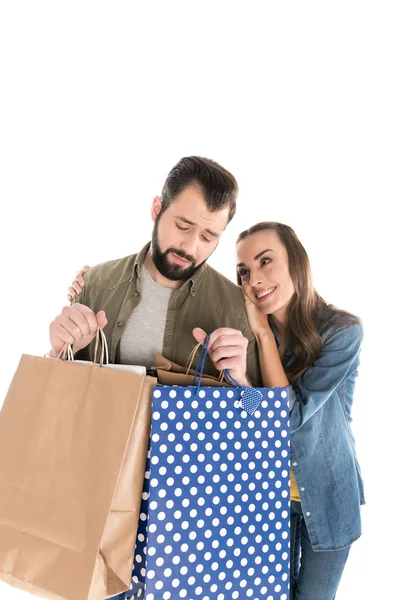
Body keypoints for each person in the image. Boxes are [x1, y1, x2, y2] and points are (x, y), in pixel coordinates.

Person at [48, 155, 262, 600]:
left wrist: (241, 379)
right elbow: (65, 396)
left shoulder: (232, 306)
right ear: (155, 209)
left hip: (186, 507)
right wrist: (57, 346)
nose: (192, 246)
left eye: (208, 236)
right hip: (99, 493)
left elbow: (255, 425)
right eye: (183, 226)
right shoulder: (97, 282)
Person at [235, 221, 365, 600]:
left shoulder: (342, 333)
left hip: (328, 496)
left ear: (296, 263)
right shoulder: (244, 331)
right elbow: (248, 408)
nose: (255, 279)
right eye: (244, 271)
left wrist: (261, 335)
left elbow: (286, 418)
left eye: (265, 262)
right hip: (267, 499)